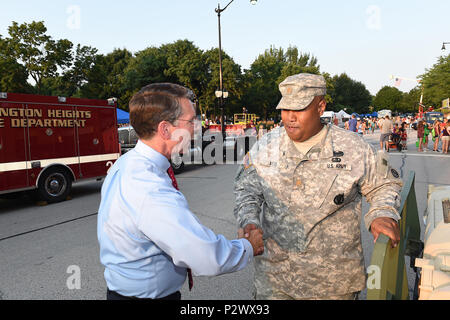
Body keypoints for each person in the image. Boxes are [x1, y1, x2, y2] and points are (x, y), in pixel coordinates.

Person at [234, 73, 402, 300]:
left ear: (320, 106)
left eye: (299, 109)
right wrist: (249, 220)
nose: (290, 118)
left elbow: (384, 184)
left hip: (332, 284)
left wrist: (381, 213)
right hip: (275, 280)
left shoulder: (354, 147)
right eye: (285, 109)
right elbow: (246, 190)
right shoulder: (266, 146)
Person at [97, 83, 264, 300]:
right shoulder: (148, 187)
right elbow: (203, 255)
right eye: (191, 120)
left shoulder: (129, 164)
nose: (197, 127)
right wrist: (248, 247)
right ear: (165, 129)